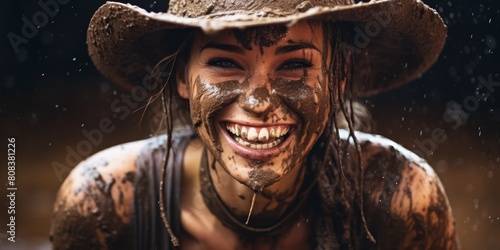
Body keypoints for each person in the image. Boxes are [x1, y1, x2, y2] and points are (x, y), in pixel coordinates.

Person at [50, 0, 460, 249]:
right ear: (181, 77)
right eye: (226, 63)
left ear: (338, 79)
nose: (258, 103)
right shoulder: (104, 204)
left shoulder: (401, 201)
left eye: (295, 65)